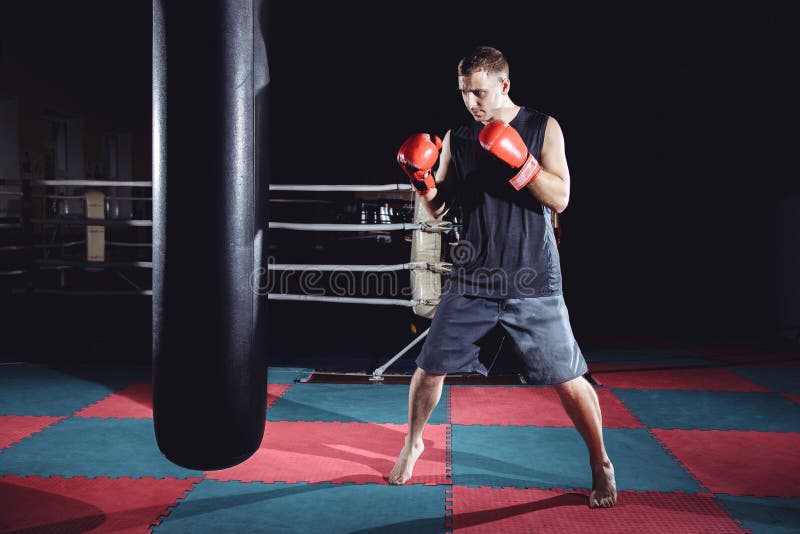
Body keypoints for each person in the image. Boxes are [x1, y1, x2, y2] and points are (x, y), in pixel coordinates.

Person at [391, 45, 617, 508]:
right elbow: (441, 210)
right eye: (463, 93)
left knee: (570, 377)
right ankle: (413, 442)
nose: (471, 102)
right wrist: (423, 182)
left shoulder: (542, 128)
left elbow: (561, 198)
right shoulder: (458, 136)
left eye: (478, 92)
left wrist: (522, 163)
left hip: (533, 276)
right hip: (473, 276)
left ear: (503, 85)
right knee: (429, 368)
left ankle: (600, 461)